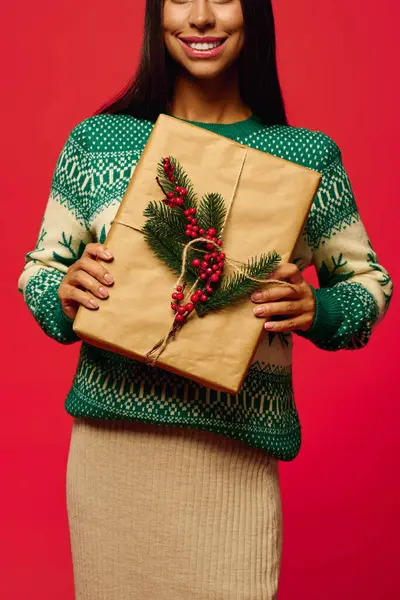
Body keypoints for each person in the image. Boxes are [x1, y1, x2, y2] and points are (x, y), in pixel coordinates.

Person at [18, 0, 393, 598]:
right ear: (156, 14)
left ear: (253, 14)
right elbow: (40, 270)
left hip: (234, 454)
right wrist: (61, 292)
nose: (200, 17)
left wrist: (319, 310)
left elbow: (369, 282)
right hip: (113, 457)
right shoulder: (98, 141)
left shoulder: (305, 156)